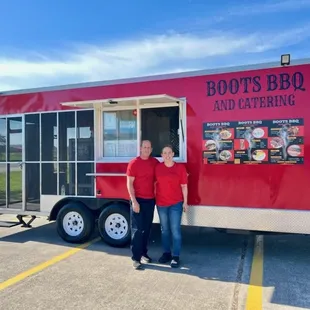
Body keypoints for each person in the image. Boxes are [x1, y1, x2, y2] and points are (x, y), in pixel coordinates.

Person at [126, 140, 159, 269]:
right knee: (137, 230)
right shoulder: (133, 163)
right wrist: (134, 201)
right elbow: (129, 183)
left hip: (150, 200)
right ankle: (136, 258)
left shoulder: (154, 162)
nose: (146, 149)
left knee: (146, 229)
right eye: (144, 147)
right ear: (140, 148)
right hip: (137, 200)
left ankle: (144, 254)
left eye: (148, 147)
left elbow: (163, 174)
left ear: (151, 149)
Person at [155, 145, 188, 268]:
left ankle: (176, 256)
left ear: (173, 154)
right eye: (164, 153)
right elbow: (153, 183)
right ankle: (166, 253)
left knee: (175, 230)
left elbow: (184, 186)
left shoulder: (180, 168)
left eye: (169, 153)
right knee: (164, 230)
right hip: (161, 204)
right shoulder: (157, 168)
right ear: (162, 155)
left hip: (176, 203)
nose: (167, 155)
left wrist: (185, 202)